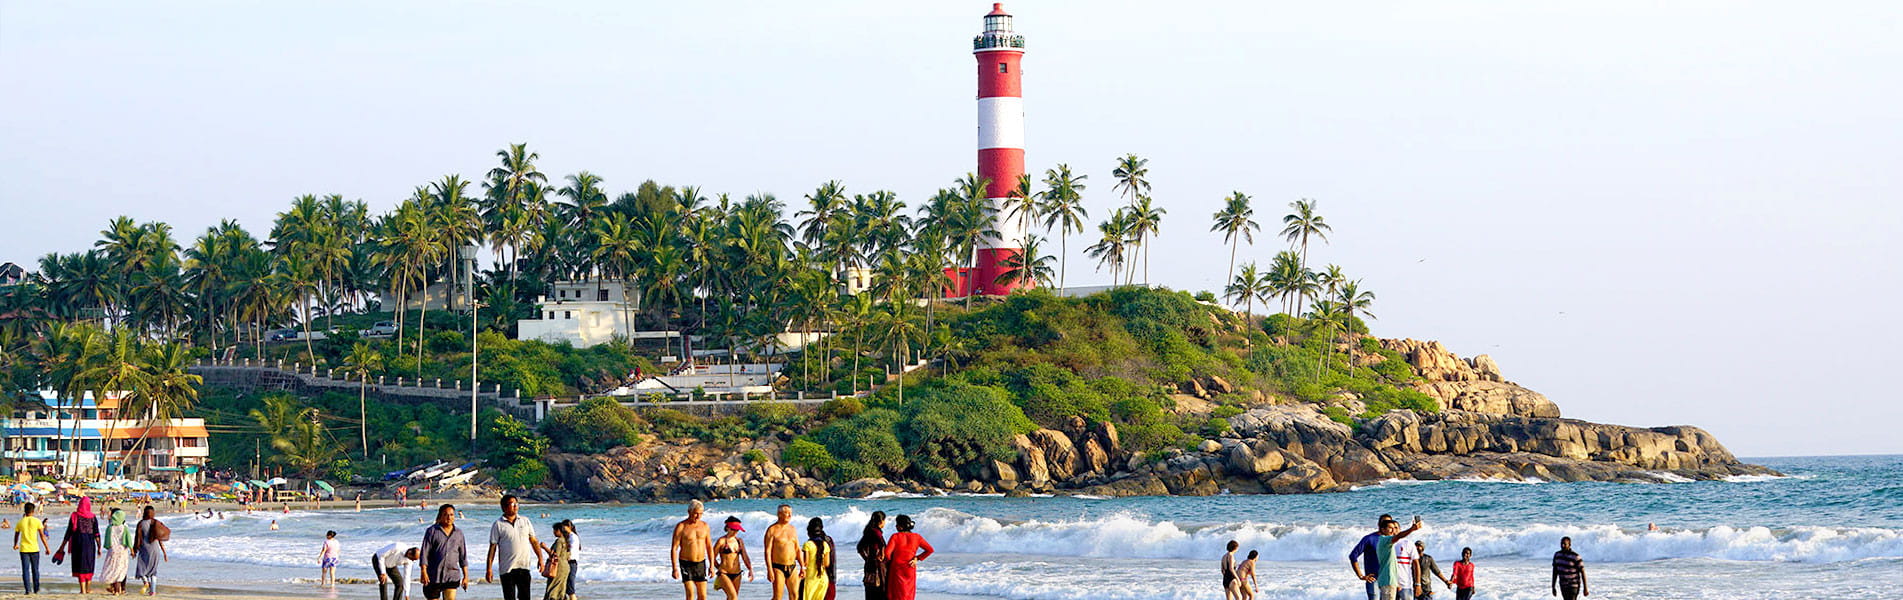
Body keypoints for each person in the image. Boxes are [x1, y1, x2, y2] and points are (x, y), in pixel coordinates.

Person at [486, 495, 546, 600]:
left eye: (516, 504)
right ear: (504, 507)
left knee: (525, 597)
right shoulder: (498, 524)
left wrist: (540, 559)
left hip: (524, 567)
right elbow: (492, 547)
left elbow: (534, 541)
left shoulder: (525, 521)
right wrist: (489, 569)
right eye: (512, 504)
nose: (515, 506)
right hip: (507, 569)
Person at [420, 504, 468, 600]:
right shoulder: (432, 531)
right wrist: (423, 572)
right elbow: (424, 553)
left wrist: (465, 576)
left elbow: (463, 556)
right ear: (440, 516)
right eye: (445, 515)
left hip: (452, 574)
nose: (449, 517)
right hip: (433, 575)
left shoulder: (459, 533)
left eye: (451, 515)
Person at [55, 496, 100, 594]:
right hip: (89, 544)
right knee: (89, 564)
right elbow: (96, 533)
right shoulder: (93, 517)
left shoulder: (74, 516)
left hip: (77, 543)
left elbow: (68, 533)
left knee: (80, 564)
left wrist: (62, 546)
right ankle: (87, 588)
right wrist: (99, 547)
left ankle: (82, 589)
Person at [670, 500, 714, 600]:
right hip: (686, 563)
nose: (698, 516)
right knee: (690, 595)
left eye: (701, 514)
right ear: (689, 511)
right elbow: (674, 548)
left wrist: (711, 566)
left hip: (700, 563)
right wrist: (674, 568)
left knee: (703, 596)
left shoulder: (705, 526)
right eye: (696, 513)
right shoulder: (681, 527)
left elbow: (709, 547)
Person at [881, 515, 932, 600]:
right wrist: (917, 558)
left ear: (900, 526)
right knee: (908, 592)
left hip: (896, 567)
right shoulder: (917, 537)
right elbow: (929, 550)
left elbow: (887, 553)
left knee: (896, 593)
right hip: (910, 566)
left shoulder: (895, 536)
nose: (895, 526)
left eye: (897, 524)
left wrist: (889, 562)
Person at [1348, 515, 1396, 600]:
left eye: (1389, 523)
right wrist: (1361, 576)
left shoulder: (1393, 541)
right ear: (1379, 524)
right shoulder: (1369, 539)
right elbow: (1353, 555)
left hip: (1388, 578)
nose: (1387, 526)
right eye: (1384, 523)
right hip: (1373, 579)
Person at [1375, 516, 1424, 600]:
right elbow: (1398, 537)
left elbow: (1416, 563)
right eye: (1390, 528)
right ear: (1383, 530)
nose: (1393, 530)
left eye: (1395, 528)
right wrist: (1412, 529)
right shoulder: (1385, 540)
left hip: (1397, 583)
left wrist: (1417, 584)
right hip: (1388, 581)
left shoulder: (1405, 543)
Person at [763, 505, 800, 600]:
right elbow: (767, 551)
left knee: (795, 595)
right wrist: (769, 569)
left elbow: (797, 549)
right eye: (787, 513)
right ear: (779, 514)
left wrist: (803, 566)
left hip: (792, 566)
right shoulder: (772, 530)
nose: (789, 515)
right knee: (778, 597)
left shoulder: (793, 529)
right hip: (778, 567)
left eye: (790, 513)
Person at [713, 517, 752, 600]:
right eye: (733, 529)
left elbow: (745, 557)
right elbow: (712, 557)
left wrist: (750, 569)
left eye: (737, 530)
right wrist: (718, 568)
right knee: (733, 597)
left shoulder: (739, 541)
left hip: (737, 573)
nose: (735, 532)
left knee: (731, 597)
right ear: (727, 528)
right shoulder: (721, 541)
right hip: (724, 573)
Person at [134, 505, 167, 596]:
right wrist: (164, 552)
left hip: (144, 548)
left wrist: (135, 549)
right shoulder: (155, 523)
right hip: (155, 549)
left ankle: (145, 582)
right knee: (153, 571)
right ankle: (153, 591)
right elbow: (159, 538)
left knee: (141, 567)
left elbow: (137, 538)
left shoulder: (141, 523)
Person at [15, 501, 47, 594]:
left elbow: (16, 534)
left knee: (25, 570)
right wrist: (47, 547)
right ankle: (36, 589)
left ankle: (28, 590)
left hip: (24, 549)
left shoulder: (20, 522)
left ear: (25, 511)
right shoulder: (37, 521)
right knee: (35, 570)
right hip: (34, 548)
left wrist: (15, 544)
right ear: (33, 511)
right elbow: (42, 535)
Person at [100, 508, 133, 595]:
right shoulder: (124, 528)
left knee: (113, 569)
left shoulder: (110, 528)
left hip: (112, 551)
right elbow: (128, 540)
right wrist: (132, 550)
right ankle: (119, 590)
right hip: (122, 552)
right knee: (120, 570)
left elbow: (107, 541)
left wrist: (108, 548)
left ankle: (115, 589)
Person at [854, 512, 886, 600]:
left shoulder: (869, 531)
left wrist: (866, 558)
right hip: (877, 565)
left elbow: (859, 547)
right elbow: (882, 544)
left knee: (870, 590)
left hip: (869, 564)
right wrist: (882, 556)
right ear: (881, 521)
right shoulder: (876, 532)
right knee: (880, 590)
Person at [800, 518, 833, 600]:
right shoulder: (826, 544)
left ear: (809, 532)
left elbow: (806, 562)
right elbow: (827, 563)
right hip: (823, 579)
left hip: (810, 579)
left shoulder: (807, 544)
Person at [541, 521, 571, 600]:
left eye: (555, 530)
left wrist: (544, 547)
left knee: (552, 587)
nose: (553, 532)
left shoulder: (559, 541)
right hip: (566, 566)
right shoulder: (566, 540)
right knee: (561, 588)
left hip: (558, 567)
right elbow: (568, 556)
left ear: (559, 530)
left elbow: (555, 555)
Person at [563, 521, 580, 600]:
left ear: (568, 526)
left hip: (571, 563)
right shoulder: (569, 536)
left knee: (570, 588)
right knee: (566, 587)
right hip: (569, 563)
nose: (563, 529)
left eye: (564, 527)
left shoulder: (573, 537)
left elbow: (571, 551)